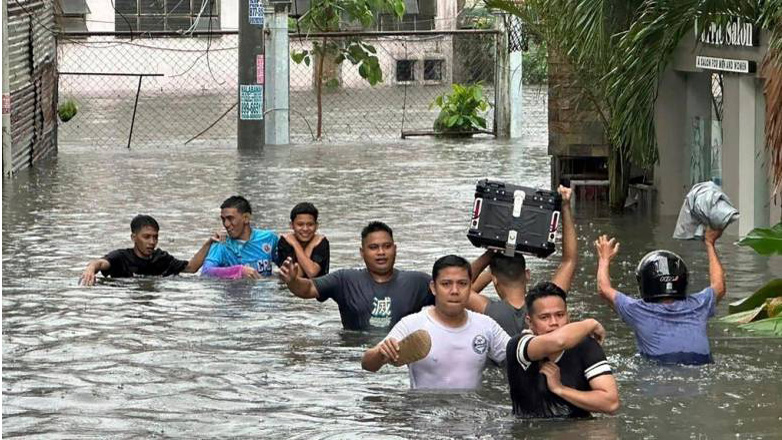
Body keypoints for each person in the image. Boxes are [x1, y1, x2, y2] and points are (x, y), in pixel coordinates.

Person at [361, 255, 510, 390]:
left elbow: (517, 356)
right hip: (424, 414)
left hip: (471, 415)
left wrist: (528, 340)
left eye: (462, 284)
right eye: (446, 284)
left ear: (470, 286)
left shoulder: (486, 326)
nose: (454, 291)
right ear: (433, 287)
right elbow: (368, 365)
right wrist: (380, 353)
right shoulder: (412, 324)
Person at [594, 228, 726, 365]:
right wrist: (710, 243)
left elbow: (603, 289)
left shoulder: (637, 310)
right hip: (701, 364)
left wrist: (604, 259)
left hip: (661, 368)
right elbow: (719, 285)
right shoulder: (699, 305)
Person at [278, 221, 433, 330]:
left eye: (387, 246)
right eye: (373, 247)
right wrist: (293, 281)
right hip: (354, 361)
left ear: (395, 249)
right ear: (362, 252)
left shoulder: (417, 282)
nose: (381, 252)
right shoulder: (345, 280)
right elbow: (307, 289)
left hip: (400, 359)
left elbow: (452, 302)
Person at [467, 185, 577, 336]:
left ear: (494, 280)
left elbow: (460, 286)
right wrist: (565, 206)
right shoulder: (546, 306)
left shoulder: (490, 311)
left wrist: (492, 251)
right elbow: (569, 261)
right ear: (527, 274)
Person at [507, 281, 619, 418]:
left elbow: (611, 403)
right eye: (544, 317)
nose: (554, 322)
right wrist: (591, 323)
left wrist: (560, 389)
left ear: (568, 317)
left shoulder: (586, 346)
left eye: (560, 315)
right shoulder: (519, 345)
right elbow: (559, 341)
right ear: (530, 322)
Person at [80, 214, 218, 286]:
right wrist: (90, 269)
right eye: (146, 237)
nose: (152, 242)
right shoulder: (121, 257)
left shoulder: (161, 258)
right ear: (134, 237)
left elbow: (191, 268)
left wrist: (209, 243)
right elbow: (100, 263)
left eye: (155, 237)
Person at [201, 196, 278, 279]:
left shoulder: (269, 238)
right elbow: (206, 272)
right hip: (236, 290)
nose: (226, 224)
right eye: (223, 219)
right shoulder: (222, 244)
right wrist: (239, 271)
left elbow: (286, 265)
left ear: (246, 218)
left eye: (230, 218)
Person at [273, 202, 329, 278]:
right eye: (300, 224)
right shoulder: (285, 241)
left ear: (316, 226)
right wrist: (297, 244)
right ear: (292, 225)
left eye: (310, 224)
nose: (305, 229)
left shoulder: (321, 242)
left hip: (318, 287)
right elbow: (294, 276)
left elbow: (312, 272)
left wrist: (298, 245)